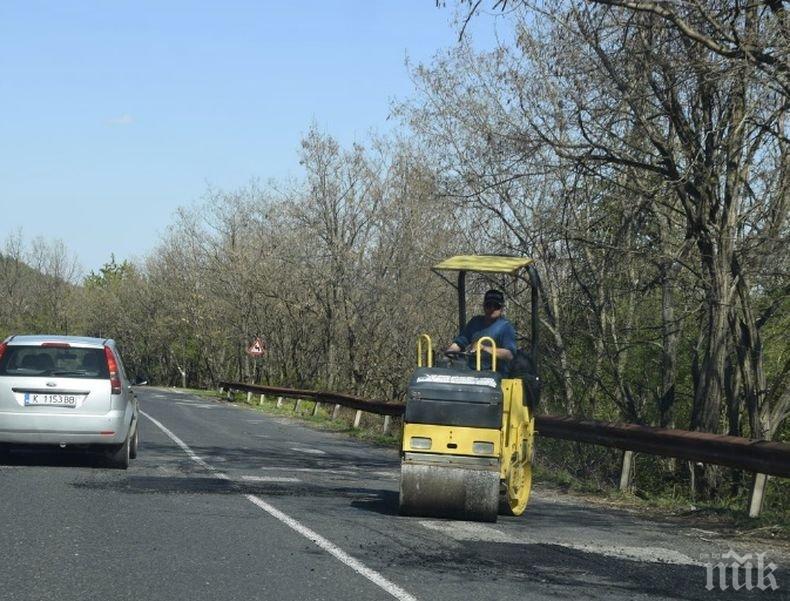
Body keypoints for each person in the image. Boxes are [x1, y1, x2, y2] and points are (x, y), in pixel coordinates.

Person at [446, 289, 516, 373]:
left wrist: (484, 348)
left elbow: (509, 355)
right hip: (471, 371)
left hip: (496, 375)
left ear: (501, 308)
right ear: (483, 306)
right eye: (488, 305)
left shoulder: (506, 327)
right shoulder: (475, 322)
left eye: (496, 306)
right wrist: (449, 354)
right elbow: (460, 342)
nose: (492, 308)